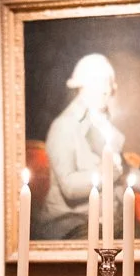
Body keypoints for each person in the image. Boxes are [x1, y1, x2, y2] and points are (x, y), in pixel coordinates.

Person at [33, 52, 126, 239]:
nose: (106, 90)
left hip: (109, 222)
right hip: (69, 224)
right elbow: (69, 186)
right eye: (99, 82)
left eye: (108, 83)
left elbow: (124, 167)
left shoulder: (103, 126)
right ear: (81, 86)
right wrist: (106, 175)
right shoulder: (64, 126)